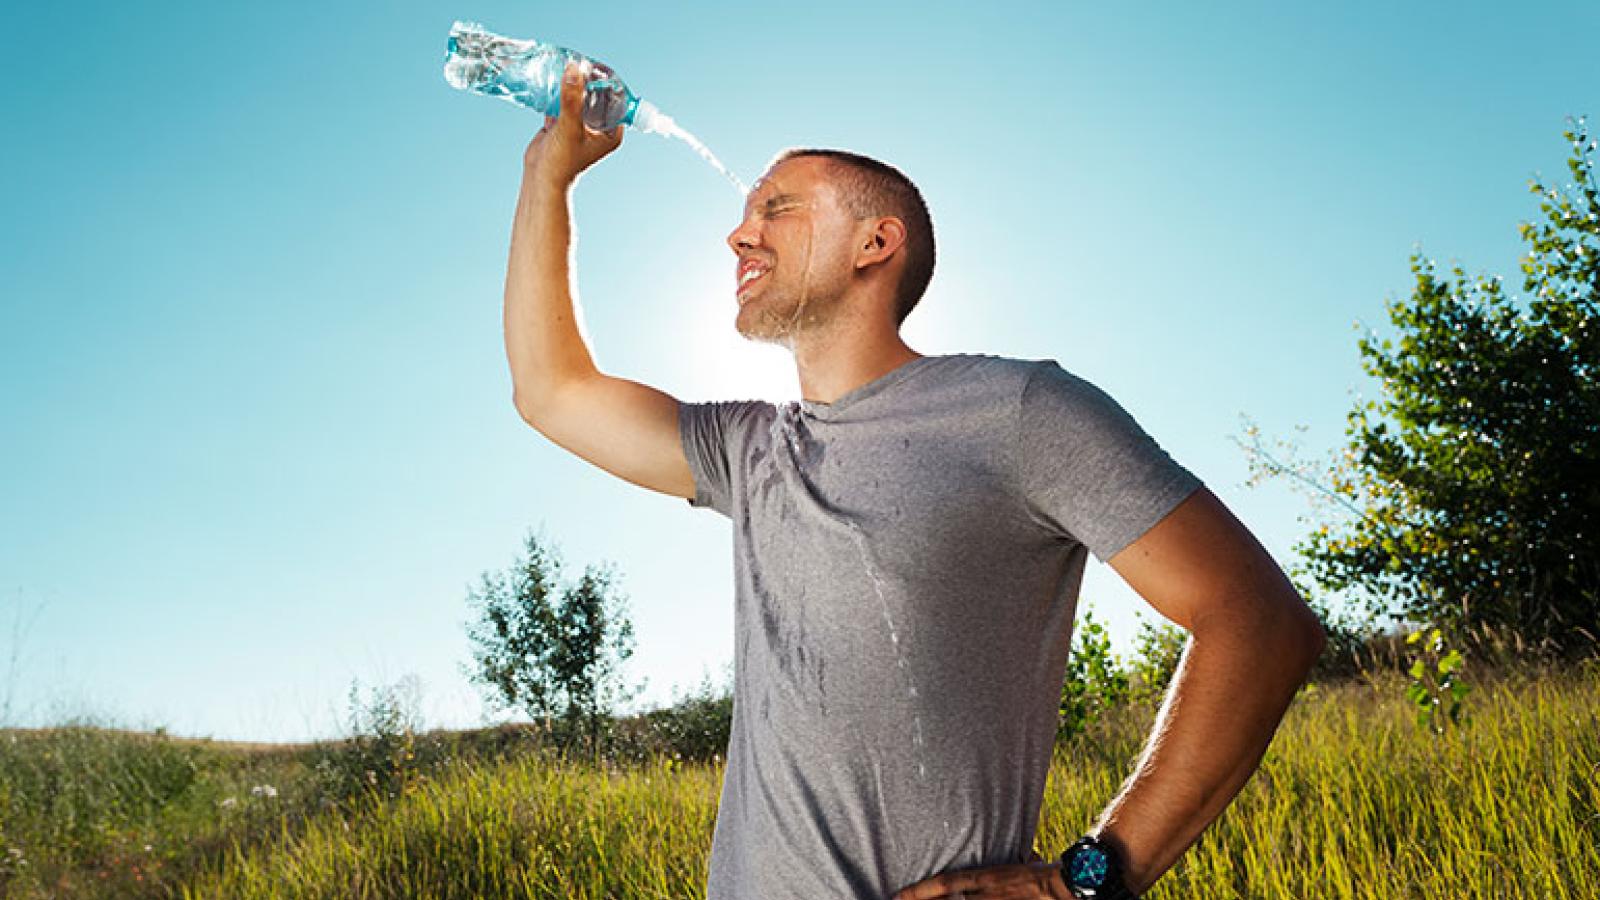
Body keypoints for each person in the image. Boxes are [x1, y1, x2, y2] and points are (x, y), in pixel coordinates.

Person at [507, 62, 1326, 900]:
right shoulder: (747, 451)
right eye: (746, 214)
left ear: (876, 243)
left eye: (778, 208)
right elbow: (552, 392)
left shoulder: (1018, 411)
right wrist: (550, 171)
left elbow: (1260, 621)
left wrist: (1091, 877)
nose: (740, 235)